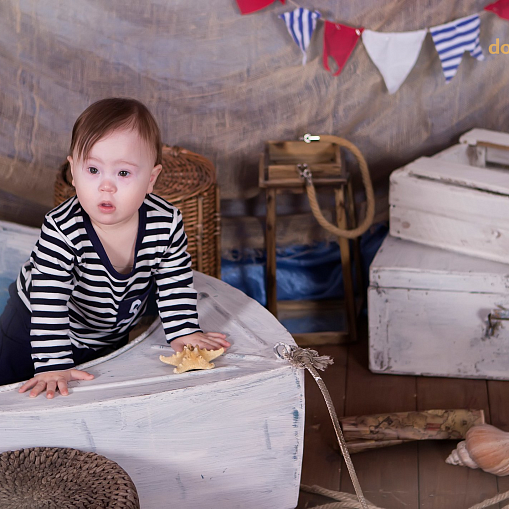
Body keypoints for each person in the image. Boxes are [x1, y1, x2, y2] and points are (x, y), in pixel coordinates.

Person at [0, 97, 230, 398]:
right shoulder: (63, 228)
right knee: (14, 388)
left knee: (91, 392)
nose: (105, 186)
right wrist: (53, 363)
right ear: (73, 171)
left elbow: (174, 279)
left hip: (106, 330)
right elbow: (49, 297)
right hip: (34, 325)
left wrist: (184, 330)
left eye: (123, 173)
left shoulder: (165, 222)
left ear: (150, 179)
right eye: (93, 170)